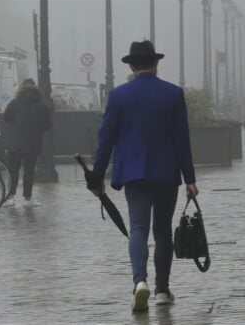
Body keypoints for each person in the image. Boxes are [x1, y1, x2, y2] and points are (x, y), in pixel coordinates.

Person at [89, 40, 198, 312]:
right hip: (165, 171)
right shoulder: (173, 94)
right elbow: (181, 139)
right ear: (155, 63)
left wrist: (97, 175)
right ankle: (162, 290)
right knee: (162, 230)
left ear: (132, 65)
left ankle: (140, 282)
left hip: (134, 173)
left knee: (138, 228)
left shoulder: (118, 96)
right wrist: (190, 178)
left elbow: (106, 139)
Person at [1, 78, 52, 208]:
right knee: (29, 171)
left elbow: (6, 117)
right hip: (33, 143)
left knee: (13, 170)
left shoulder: (15, 102)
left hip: (16, 142)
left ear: (21, 88)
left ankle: (10, 198)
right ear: (35, 88)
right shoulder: (41, 104)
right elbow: (47, 125)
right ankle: (27, 199)